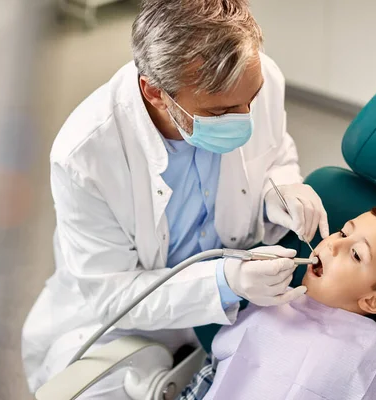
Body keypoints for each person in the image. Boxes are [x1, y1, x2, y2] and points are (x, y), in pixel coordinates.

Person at [21, 0, 329, 398]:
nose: (246, 119)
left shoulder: (261, 78)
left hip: (236, 307)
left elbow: (275, 152)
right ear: (154, 92)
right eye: (221, 112)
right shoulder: (85, 155)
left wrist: (282, 188)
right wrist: (225, 281)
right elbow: (115, 296)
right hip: (127, 322)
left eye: (251, 100)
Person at [194, 207, 376, 400]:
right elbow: (212, 374)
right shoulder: (270, 301)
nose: (333, 245)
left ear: (373, 301)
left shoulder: (371, 361)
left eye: (355, 254)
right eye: (343, 232)